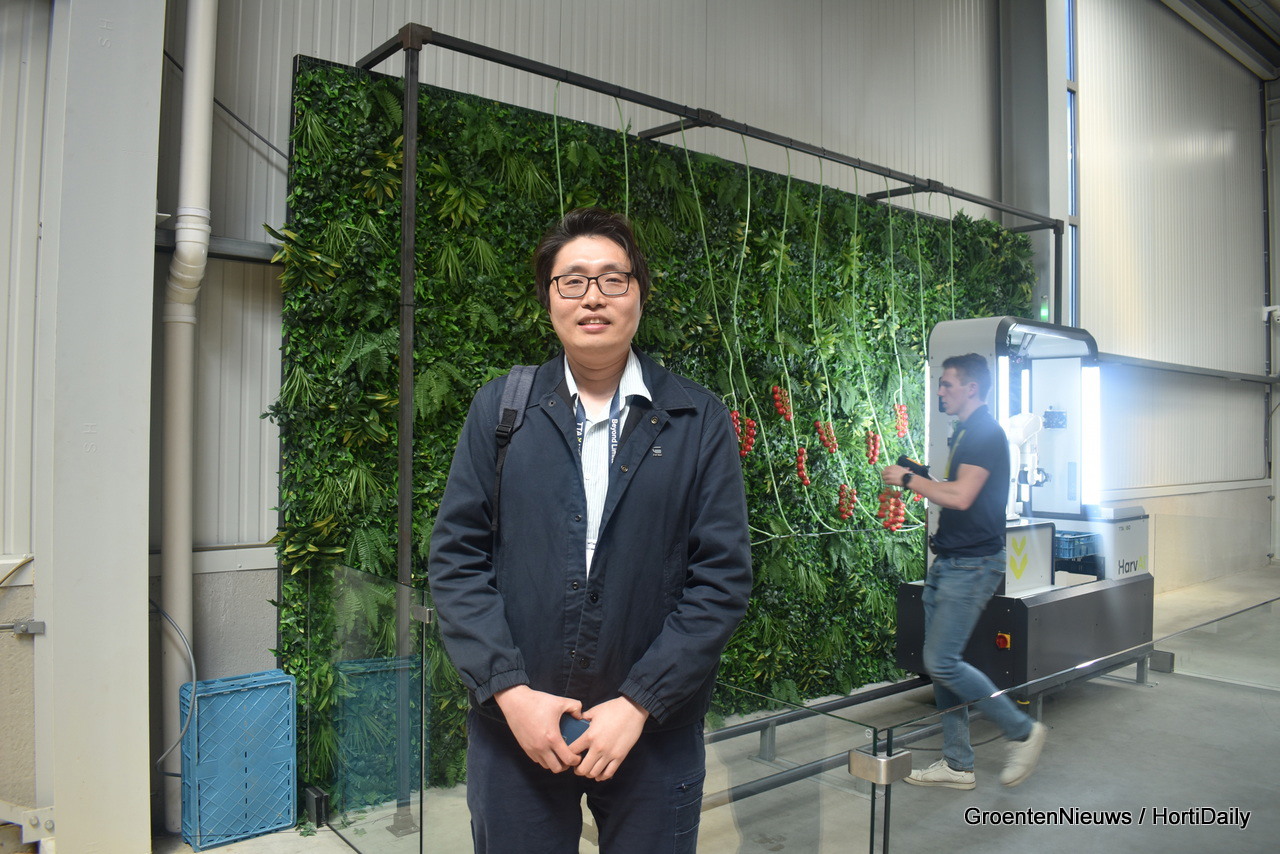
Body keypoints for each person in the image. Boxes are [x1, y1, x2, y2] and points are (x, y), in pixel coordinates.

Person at [428, 207, 752, 853]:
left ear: (640, 293)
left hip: (652, 736)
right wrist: (511, 694)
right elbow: (457, 560)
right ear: (549, 298)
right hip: (517, 729)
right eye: (572, 280)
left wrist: (638, 704)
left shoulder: (697, 420)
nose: (593, 297)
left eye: (613, 279)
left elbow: (721, 580)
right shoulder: (502, 410)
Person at [880, 353, 1046, 789]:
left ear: (972, 388)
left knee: (941, 661)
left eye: (947, 384)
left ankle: (1023, 732)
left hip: (971, 565)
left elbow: (961, 497)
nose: (940, 391)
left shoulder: (985, 433)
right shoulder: (969, 432)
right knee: (942, 665)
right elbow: (955, 490)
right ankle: (957, 764)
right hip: (951, 562)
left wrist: (909, 480)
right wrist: (924, 476)